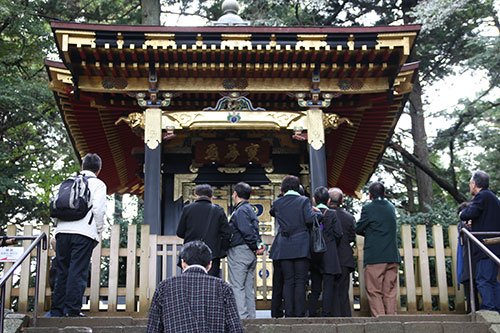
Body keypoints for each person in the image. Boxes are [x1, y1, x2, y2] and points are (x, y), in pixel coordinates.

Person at [50, 153, 106, 317]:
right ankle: (72, 310)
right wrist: (98, 230)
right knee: (77, 271)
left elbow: (56, 206)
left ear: (82, 167)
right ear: (99, 170)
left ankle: (57, 310)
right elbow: (98, 209)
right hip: (83, 233)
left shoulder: (68, 181)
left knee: (62, 270)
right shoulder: (98, 184)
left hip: (62, 232)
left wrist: (57, 229)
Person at [147, 240, 243, 333]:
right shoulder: (223, 287)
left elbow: (153, 327)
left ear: (183, 263)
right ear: (210, 265)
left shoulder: (165, 286)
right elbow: (235, 327)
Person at [269, 175, 317, 317]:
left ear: (282, 189)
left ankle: (288, 312)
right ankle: (299, 313)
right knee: (300, 281)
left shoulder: (278, 202)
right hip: (301, 245)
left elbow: (272, 212)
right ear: (298, 188)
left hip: (284, 245)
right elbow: (309, 220)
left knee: (288, 281)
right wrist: (318, 215)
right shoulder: (303, 201)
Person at [355, 182, 400, 317]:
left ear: (370, 195)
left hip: (375, 255)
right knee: (390, 291)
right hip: (392, 255)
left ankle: (380, 321)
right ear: (384, 193)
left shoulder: (368, 208)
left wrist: (368, 232)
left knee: (374, 290)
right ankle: (391, 319)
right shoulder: (391, 207)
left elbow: (358, 227)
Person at [459, 170, 500, 312]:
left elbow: (469, 213)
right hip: (495, 245)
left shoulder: (481, 196)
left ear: (475, 184)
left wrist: (462, 214)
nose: (470, 186)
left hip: (485, 246)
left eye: (470, 183)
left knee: (483, 279)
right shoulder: (493, 198)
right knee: (492, 280)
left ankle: (489, 308)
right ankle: (496, 309)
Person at [226, 182, 265, 319]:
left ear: (235, 194)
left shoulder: (241, 210)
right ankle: (250, 317)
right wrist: (258, 245)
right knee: (248, 286)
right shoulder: (249, 209)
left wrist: (254, 245)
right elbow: (254, 230)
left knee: (237, 286)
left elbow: (246, 231)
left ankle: (241, 319)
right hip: (249, 253)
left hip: (240, 251)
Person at [176, 184, 232, 277]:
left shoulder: (187, 209)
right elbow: (227, 233)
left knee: (189, 283)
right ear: (212, 196)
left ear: (196, 195)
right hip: (212, 254)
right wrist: (221, 249)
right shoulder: (218, 210)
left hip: (190, 254)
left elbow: (180, 232)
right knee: (210, 284)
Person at [309, 186, 343, 317]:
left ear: (314, 200)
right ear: (328, 201)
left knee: (315, 287)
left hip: (315, 255)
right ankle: (326, 313)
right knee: (328, 287)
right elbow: (338, 234)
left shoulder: (312, 214)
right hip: (329, 254)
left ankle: (312, 313)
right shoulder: (332, 214)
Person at [329, 187, 356, 317]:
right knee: (343, 291)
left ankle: (333, 317)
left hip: (328, 257)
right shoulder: (349, 217)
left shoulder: (325, 215)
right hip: (345, 256)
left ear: (328, 200)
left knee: (331, 290)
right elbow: (351, 237)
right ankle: (346, 318)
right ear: (342, 201)